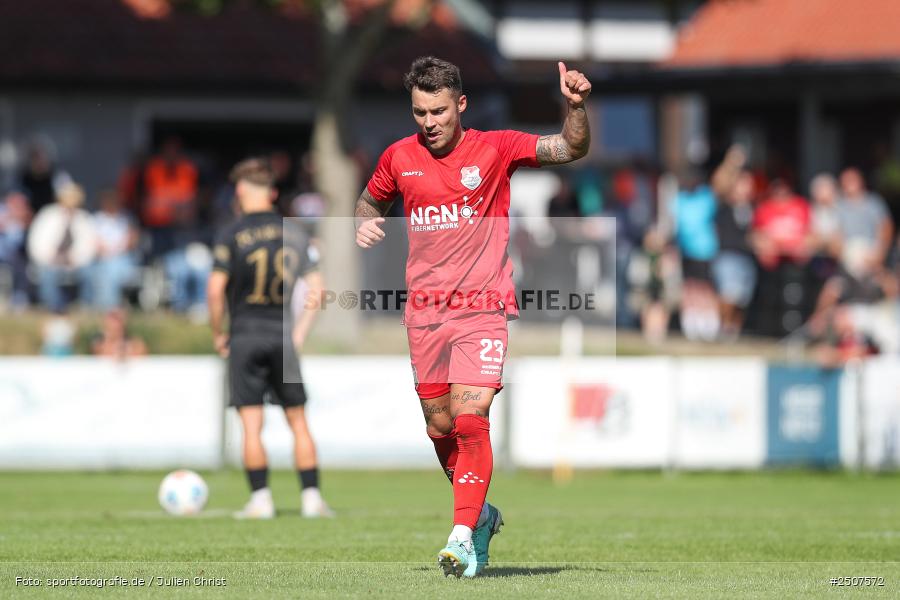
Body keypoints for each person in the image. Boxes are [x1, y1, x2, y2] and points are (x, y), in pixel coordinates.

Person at [354, 56, 591, 577]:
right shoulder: (398, 157)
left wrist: (575, 108)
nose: (429, 122)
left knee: (469, 420)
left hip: (482, 308)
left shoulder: (496, 148)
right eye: (420, 112)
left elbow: (570, 147)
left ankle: (460, 536)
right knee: (440, 429)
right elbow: (370, 202)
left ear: (460, 105)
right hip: (423, 314)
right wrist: (365, 224)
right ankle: (481, 517)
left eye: (438, 110)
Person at [207, 158, 331, 520]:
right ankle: (311, 499)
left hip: (245, 335)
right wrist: (299, 333)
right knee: (298, 421)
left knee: (251, 423)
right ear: (273, 193)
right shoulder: (296, 233)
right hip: (282, 337)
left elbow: (215, 290)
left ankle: (261, 500)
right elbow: (318, 291)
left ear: (240, 191)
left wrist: (218, 333)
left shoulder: (231, 233)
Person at [26, 182, 96, 312]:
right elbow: (36, 243)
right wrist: (51, 257)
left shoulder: (84, 218)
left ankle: (86, 307)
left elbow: (89, 246)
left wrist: (74, 258)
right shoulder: (47, 215)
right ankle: (53, 308)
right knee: (48, 274)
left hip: (76, 263)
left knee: (90, 272)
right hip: (50, 261)